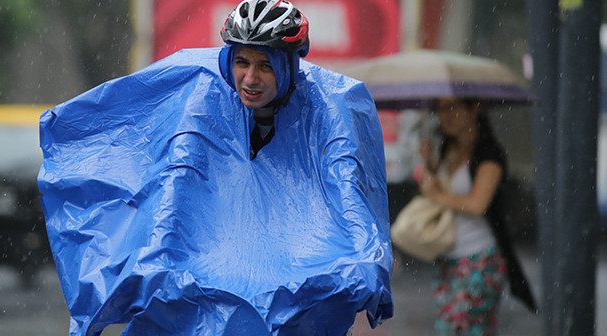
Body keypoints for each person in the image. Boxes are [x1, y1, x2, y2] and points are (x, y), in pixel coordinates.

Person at [37, 1, 393, 335]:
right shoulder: (203, 91)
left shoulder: (330, 106)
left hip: (301, 269)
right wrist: (153, 264)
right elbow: (178, 186)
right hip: (209, 269)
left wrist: (365, 258)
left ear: (289, 67)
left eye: (265, 66)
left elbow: (347, 189)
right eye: (242, 63)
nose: (250, 79)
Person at [418, 97, 537, 335]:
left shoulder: (489, 154)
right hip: (448, 259)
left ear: (475, 109)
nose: (446, 115)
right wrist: (428, 162)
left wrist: (438, 195)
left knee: (460, 328)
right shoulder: (446, 148)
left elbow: (477, 204)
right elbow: (433, 191)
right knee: (455, 329)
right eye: (441, 109)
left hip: (480, 260)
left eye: (453, 107)